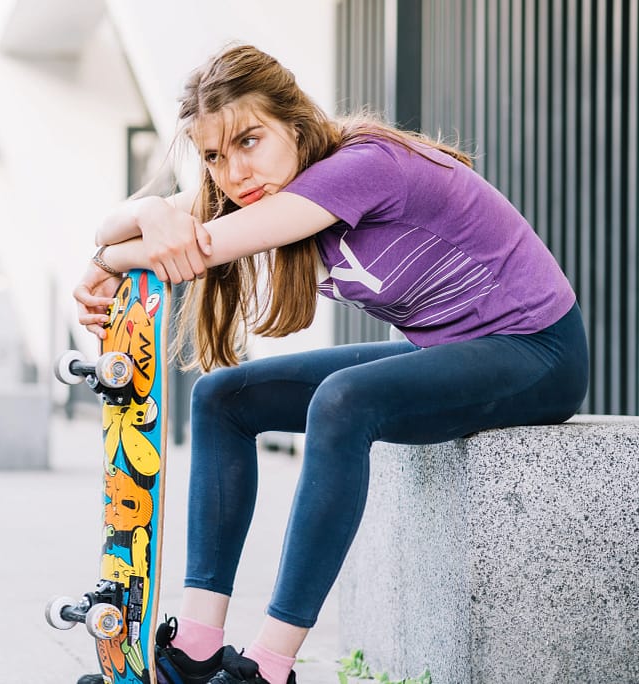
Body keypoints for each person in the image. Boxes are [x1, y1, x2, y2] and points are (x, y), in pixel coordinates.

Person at [74, 44, 588, 684]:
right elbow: (117, 224)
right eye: (213, 156)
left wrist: (109, 259)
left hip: (536, 350)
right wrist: (150, 212)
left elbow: (195, 248)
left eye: (249, 141)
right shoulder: (267, 181)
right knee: (222, 398)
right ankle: (198, 648)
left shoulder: (362, 165)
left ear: (294, 123)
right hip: (446, 350)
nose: (234, 172)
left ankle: (269, 666)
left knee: (344, 401)